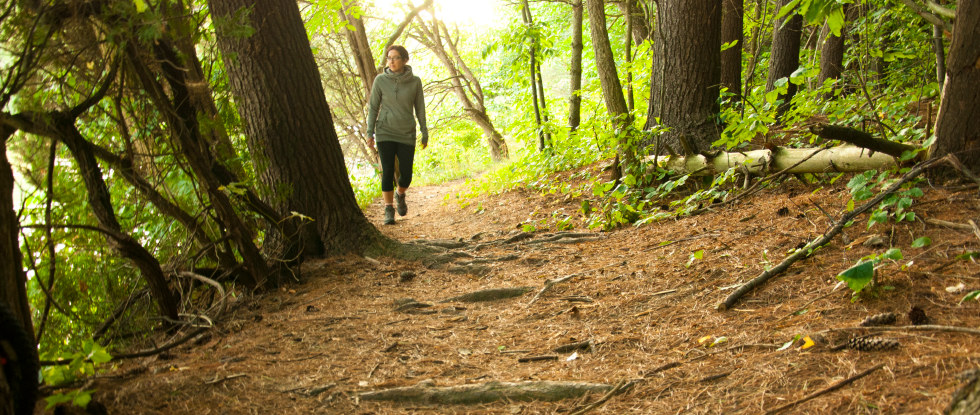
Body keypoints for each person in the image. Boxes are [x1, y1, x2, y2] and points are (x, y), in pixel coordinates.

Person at [366, 45, 428, 225]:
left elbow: (420, 109)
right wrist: (370, 132)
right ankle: (388, 209)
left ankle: (401, 194)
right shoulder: (380, 80)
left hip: (406, 132)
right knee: (387, 171)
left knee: (406, 174)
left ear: (405, 60)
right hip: (385, 131)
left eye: (396, 58)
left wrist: (424, 131)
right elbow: (373, 108)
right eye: (389, 58)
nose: (391, 61)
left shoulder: (415, 81)